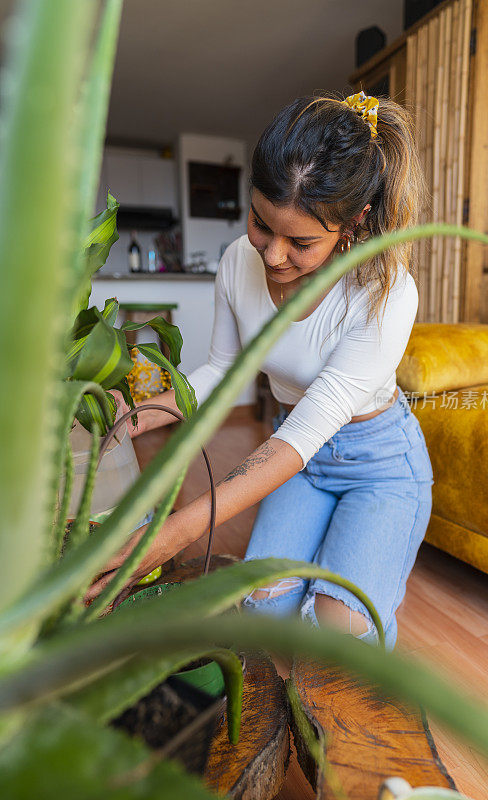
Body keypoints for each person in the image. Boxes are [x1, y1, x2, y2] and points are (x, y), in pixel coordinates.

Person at [87, 91, 433, 651]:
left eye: (301, 242)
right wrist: (145, 411)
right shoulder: (234, 262)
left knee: (339, 633)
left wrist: (174, 533)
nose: (272, 256)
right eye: (260, 223)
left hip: (379, 466)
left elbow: (305, 431)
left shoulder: (385, 296)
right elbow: (224, 370)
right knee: (263, 612)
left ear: (354, 222)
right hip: (302, 464)